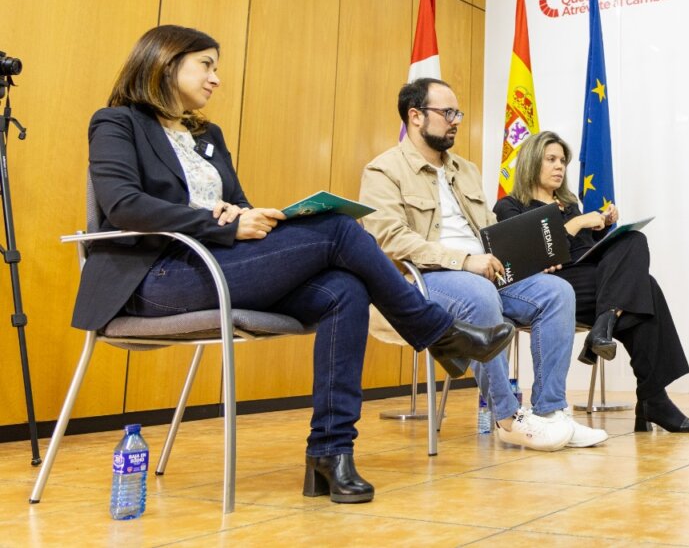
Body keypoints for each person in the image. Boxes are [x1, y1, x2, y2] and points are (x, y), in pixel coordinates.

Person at [72, 25, 514, 505]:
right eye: (207, 65)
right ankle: (437, 332)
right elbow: (123, 205)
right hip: (155, 279)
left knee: (345, 289)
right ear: (165, 62)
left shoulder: (207, 134)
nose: (216, 79)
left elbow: (235, 203)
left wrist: (249, 215)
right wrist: (219, 224)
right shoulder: (116, 122)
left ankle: (330, 453)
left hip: (218, 268)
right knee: (342, 229)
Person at [359, 78, 606, 451]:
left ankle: (551, 413)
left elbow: (492, 230)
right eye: (447, 113)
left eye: (457, 112)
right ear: (415, 116)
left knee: (557, 291)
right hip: (432, 276)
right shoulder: (383, 171)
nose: (455, 120)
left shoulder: (466, 169)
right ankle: (508, 418)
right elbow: (389, 238)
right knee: (479, 296)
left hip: (488, 268)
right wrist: (463, 260)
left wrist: (527, 260)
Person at [495, 131, 689, 434]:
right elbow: (526, 258)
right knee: (645, 290)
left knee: (633, 239)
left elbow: (587, 251)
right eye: (551, 160)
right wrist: (580, 222)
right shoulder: (511, 206)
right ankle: (651, 398)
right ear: (531, 162)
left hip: (595, 282)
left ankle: (605, 326)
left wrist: (603, 227)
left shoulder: (569, 204)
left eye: (563, 161)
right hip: (555, 288)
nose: (560, 167)